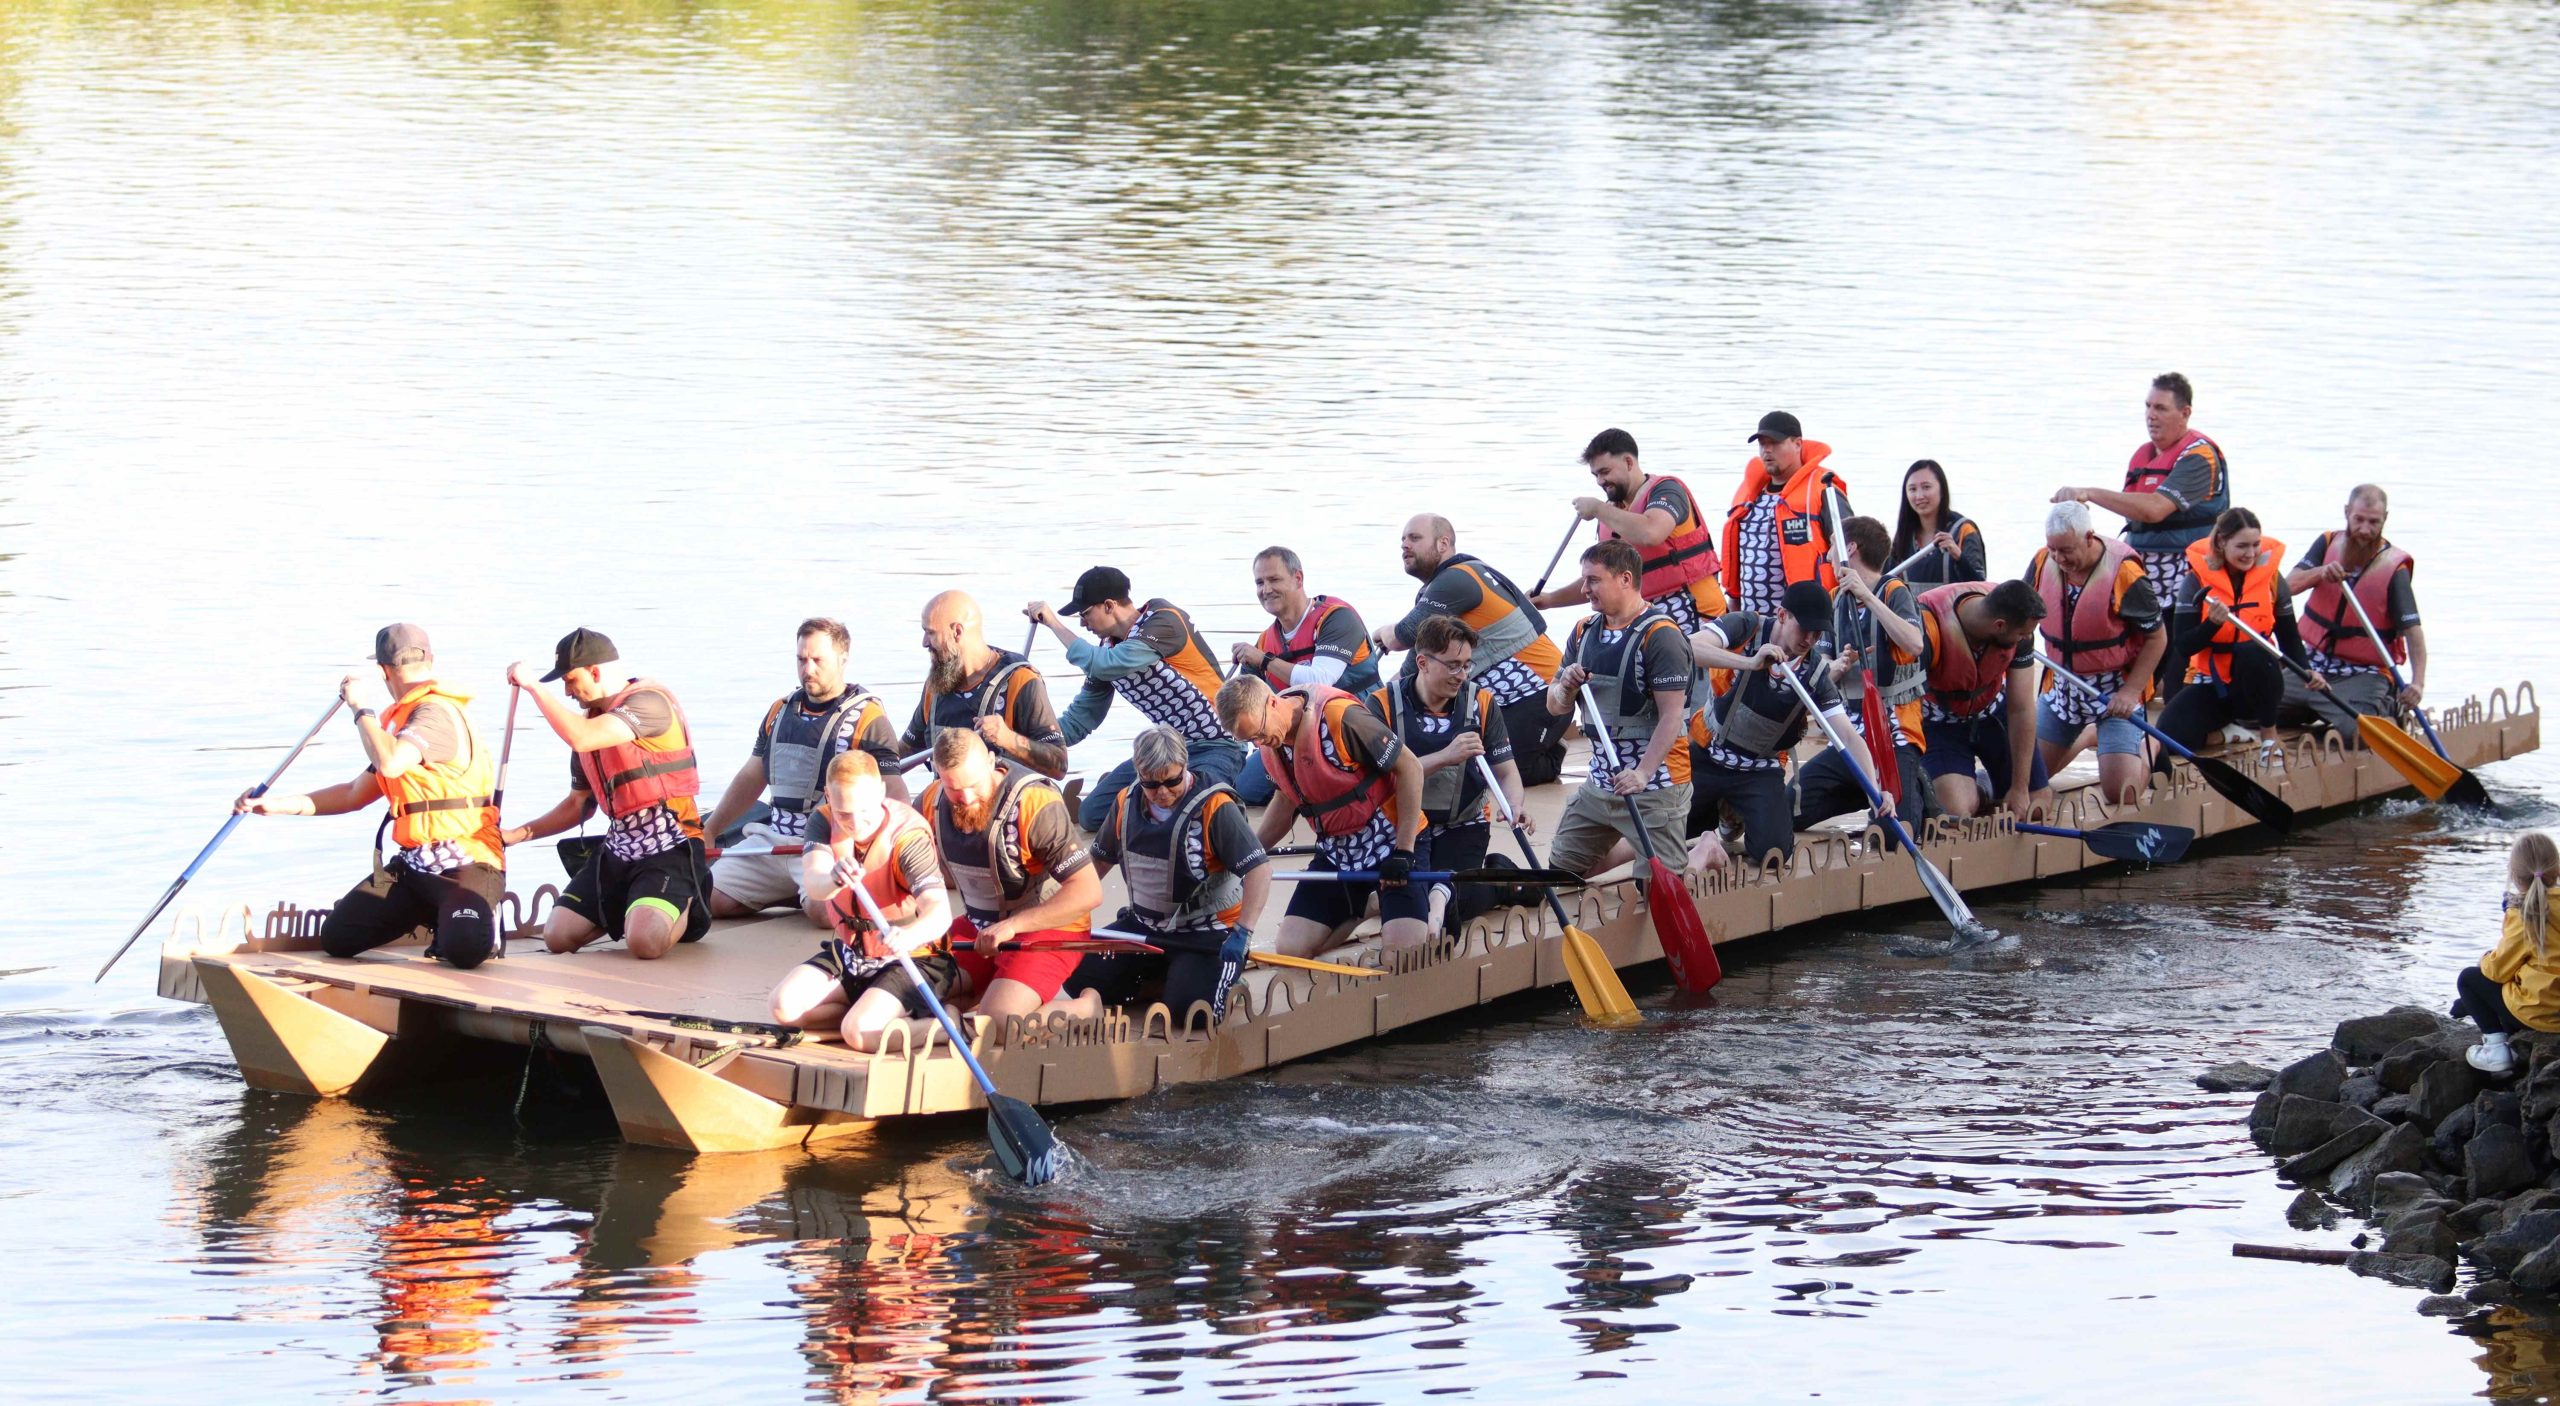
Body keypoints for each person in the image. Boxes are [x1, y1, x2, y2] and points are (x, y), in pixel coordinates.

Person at [233, 624, 505, 969]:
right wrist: (274, 805)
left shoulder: (434, 714)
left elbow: (390, 764)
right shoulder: (402, 729)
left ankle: (470, 924)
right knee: (339, 937)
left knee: (464, 951)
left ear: (382, 671)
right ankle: (438, 918)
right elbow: (353, 794)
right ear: (431, 659)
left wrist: (361, 709)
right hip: (416, 865)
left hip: (466, 862)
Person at [503, 629, 711, 959]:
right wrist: (514, 835)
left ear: (595, 672)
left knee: (643, 944)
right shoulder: (590, 724)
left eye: (570, 681)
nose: (568, 691)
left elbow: (581, 737)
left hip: (671, 845)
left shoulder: (648, 703)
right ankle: (636, 905)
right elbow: (578, 805)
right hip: (619, 848)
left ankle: (691, 902)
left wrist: (532, 686)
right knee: (557, 937)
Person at [702, 618, 907, 922]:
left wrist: (891, 853)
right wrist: (710, 830)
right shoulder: (779, 711)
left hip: (826, 842)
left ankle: (811, 894)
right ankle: (789, 891)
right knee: (710, 900)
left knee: (824, 914)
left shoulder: (869, 718)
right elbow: (751, 776)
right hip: (773, 839)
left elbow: (895, 791)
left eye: (817, 660)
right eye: (801, 659)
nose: (807, 669)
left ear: (842, 659)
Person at [1074, 727, 1274, 1029]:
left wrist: (1243, 932)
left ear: (1185, 766)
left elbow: (1259, 870)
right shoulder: (1125, 802)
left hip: (1207, 933)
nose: (1163, 792)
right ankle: (1164, 979)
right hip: (1146, 928)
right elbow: (1099, 861)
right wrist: (1068, 910)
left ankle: (1219, 983)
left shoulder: (1215, 806)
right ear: (1139, 772)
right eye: (1152, 784)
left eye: (1172, 781)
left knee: (1192, 1013)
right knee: (1075, 969)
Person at [2049, 372, 2230, 703]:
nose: (2151, 415)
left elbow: (2154, 510)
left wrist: (2088, 493)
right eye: (2148, 406)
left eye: (2161, 408)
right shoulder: (2144, 455)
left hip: (2183, 575)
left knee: (2160, 670)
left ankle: (2156, 700)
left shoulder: (2199, 458)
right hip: (2142, 572)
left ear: (2185, 413)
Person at [1219, 673, 1427, 958]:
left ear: (1272, 702)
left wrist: (1404, 851)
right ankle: (1369, 906)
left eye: (1259, 732)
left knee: (1405, 954)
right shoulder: (1272, 743)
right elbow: (1285, 801)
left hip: (1390, 843)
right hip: (1337, 852)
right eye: (1250, 739)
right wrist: (1247, 856)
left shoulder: (1341, 717)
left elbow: (1410, 767)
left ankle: (1435, 899)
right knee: (1291, 949)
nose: (1259, 743)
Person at [1028, 566, 1246, 832]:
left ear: (1109, 606)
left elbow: (1110, 664)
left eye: (1085, 614)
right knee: (1092, 815)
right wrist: (1028, 736)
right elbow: (1081, 718)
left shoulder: (1164, 620)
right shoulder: (1105, 652)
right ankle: (1146, 794)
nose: (1083, 624)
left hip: (1217, 744)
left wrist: (1054, 624)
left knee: (1199, 811)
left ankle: (1195, 793)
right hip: (1166, 751)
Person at [1681, 581, 1880, 869]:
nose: (1809, 639)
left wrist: (1874, 793)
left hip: (1759, 769)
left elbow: (1848, 736)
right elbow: (1689, 647)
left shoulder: (1815, 675)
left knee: (1773, 853)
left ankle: (1734, 813)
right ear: (1783, 615)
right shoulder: (1746, 626)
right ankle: (1716, 823)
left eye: (1818, 633)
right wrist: (1750, 662)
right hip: (1710, 754)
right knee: (1672, 831)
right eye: (1804, 628)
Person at [915, 729, 1105, 1030]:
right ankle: (984, 992)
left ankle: (1083, 1009)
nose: (965, 798)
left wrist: (1013, 925)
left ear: (992, 762)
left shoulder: (1035, 803)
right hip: (982, 927)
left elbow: (1088, 892)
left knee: (998, 1023)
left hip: (1052, 929)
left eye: (974, 785)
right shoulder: (930, 802)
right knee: (910, 992)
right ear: (939, 776)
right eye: (953, 788)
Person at [767, 752, 957, 1051]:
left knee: (859, 1035)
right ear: (829, 796)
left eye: (865, 810)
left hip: (912, 959)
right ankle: (863, 1012)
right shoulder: (823, 821)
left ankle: (944, 1023)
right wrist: (834, 878)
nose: (856, 823)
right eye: (844, 813)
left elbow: (939, 912)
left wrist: (909, 935)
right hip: (852, 954)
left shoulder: (908, 837)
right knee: (783, 1008)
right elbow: (816, 886)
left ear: (881, 791)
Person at [1363, 615, 1529, 945]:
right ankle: (1469, 884)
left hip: (1463, 824)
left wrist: (1515, 805)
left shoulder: (1481, 703)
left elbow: (1506, 771)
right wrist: (1445, 756)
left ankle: (1499, 882)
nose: (1462, 676)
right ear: (1422, 662)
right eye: (1453, 666)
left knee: (1441, 899)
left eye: (1467, 665)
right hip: (1406, 827)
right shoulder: (1381, 704)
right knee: (1403, 901)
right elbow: (1377, 780)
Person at [1372, 514, 1570, 786]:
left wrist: (1383, 632)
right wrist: (1375, 708)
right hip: (1512, 700)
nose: (1405, 545)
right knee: (1452, 759)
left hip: (1542, 694)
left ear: (1443, 544)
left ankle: (1550, 753)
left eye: (1415, 538)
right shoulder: (1445, 586)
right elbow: (1413, 668)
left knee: (1482, 775)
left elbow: (1403, 636)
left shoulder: (1457, 579)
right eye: (1402, 540)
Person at [1543, 541, 1696, 878]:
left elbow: (1672, 717)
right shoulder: (1583, 632)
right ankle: (1638, 845)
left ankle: (1701, 851)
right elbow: (1554, 707)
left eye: (1593, 580)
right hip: (1600, 783)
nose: (1584, 590)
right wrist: (1565, 687)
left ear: (1625, 579)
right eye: (1584, 580)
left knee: (1656, 886)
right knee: (1561, 872)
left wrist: (1641, 773)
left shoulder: (1661, 636)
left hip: (1656, 786)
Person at [2155, 508, 2329, 757]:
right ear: (2221, 542)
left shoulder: (2272, 580)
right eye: (2242, 546)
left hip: (2258, 686)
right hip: (2215, 684)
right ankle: (2227, 733)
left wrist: (2306, 670)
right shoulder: (2195, 581)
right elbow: (2184, 645)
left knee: (2252, 650)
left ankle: (2269, 736)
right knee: (2168, 735)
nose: (2250, 554)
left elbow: (2289, 637)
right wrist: (2211, 625)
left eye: (2256, 545)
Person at [1794, 517, 1929, 831]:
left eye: (1831, 547)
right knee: (1791, 811)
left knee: (1897, 832)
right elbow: (1822, 669)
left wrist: (1868, 597)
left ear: (1849, 548)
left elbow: (1914, 642)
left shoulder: (1894, 592)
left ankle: (1912, 790)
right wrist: (1838, 666)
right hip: (1851, 734)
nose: (1827, 555)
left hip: (1893, 732)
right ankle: (1863, 790)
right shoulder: (1835, 600)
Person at [2029, 501, 2168, 805]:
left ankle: (2151, 744)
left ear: (2089, 537)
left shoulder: (2125, 574)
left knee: (2122, 794)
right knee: (2025, 781)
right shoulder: (2043, 562)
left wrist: (2131, 692)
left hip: (2113, 692)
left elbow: (2157, 638)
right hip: (2063, 687)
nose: (2058, 558)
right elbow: (2022, 620)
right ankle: (2087, 736)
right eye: (2053, 549)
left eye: (2066, 550)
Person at [1531, 428, 1728, 631]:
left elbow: (1651, 533)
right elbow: (1601, 578)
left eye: (1605, 472)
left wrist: (1598, 508)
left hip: (1694, 614)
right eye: (1595, 475)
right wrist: (1549, 600)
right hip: (1647, 622)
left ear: (1628, 462)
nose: (1600, 481)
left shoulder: (1667, 491)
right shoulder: (1612, 512)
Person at [1230, 546, 1381, 805]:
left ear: (1298, 578)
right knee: (1245, 790)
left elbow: (1321, 680)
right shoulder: (1265, 640)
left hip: (1351, 726)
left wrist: (1264, 660)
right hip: (1295, 737)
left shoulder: (1337, 618)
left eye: (1274, 579)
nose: (1266, 589)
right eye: (1259, 582)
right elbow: (1245, 704)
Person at [2280, 485, 2426, 744]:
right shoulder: (2327, 543)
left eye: (2374, 522)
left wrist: (2417, 683)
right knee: (2254, 710)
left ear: (2385, 520)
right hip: (2313, 665)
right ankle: (2315, 709)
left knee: (2360, 736)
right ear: (2347, 512)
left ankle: (2387, 708)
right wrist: (2320, 572)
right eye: (2359, 519)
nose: (2365, 530)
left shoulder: (2394, 567)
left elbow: (2413, 632)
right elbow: (2287, 587)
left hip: (2363, 673)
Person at [1914, 580, 2052, 819]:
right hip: (1940, 721)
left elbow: (2021, 709)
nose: (2025, 639)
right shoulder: (1927, 626)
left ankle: (1992, 783)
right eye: (2022, 635)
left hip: (1991, 712)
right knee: (1955, 811)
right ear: (1999, 626)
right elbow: (1902, 704)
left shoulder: (2016, 620)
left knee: (2036, 806)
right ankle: (1977, 787)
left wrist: (2019, 787)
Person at [905, 590, 1068, 780]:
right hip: (946, 802)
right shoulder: (937, 684)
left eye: (930, 632)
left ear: (957, 632)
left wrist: (1009, 739)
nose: (924, 643)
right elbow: (908, 750)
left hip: (1003, 804)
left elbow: (1060, 765)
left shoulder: (1020, 680)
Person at [1722, 411, 1849, 621]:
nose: (1767, 450)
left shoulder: (1822, 489)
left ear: (1798, 443)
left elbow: (1849, 547)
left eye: (1775, 443)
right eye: (1762, 444)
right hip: (1751, 620)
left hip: (1805, 621)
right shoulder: (1749, 495)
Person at [2456, 832, 2560, 1076]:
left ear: (2514, 874)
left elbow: (2498, 971)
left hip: (2540, 1012)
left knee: (2469, 979)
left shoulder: (2525, 912)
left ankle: (2496, 1051)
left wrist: (2485, 957)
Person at [1889, 459, 1987, 588]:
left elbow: (1980, 587)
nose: (1919, 496)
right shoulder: (1904, 534)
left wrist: (1959, 557)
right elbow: (1887, 583)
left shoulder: (1964, 530)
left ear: (1942, 489)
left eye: (1926, 487)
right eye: (1912, 489)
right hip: (1912, 608)